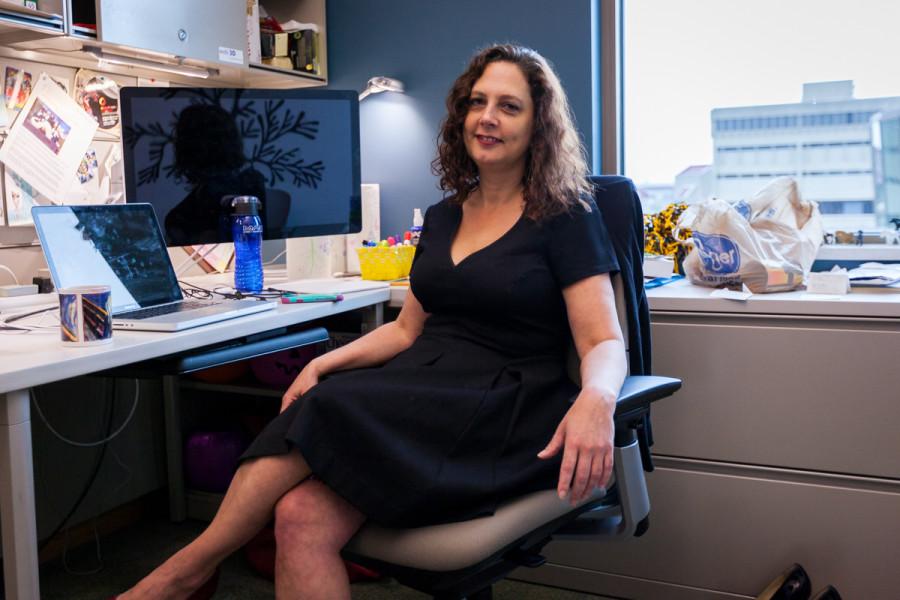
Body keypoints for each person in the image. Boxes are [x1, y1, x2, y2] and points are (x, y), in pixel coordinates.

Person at [118, 43, 626, 600]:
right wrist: (322, 362)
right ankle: (192, 570)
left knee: (330, 406)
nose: (487, 117)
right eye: (478, 102)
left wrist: (596, 400)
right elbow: (406, 330)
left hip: (505, 405)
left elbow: (603, 339)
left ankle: (185, 571)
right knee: (298, 516)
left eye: (509, 106)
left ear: (539, 125)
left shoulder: (563, 214)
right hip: (431, 389)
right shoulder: (443, 216)